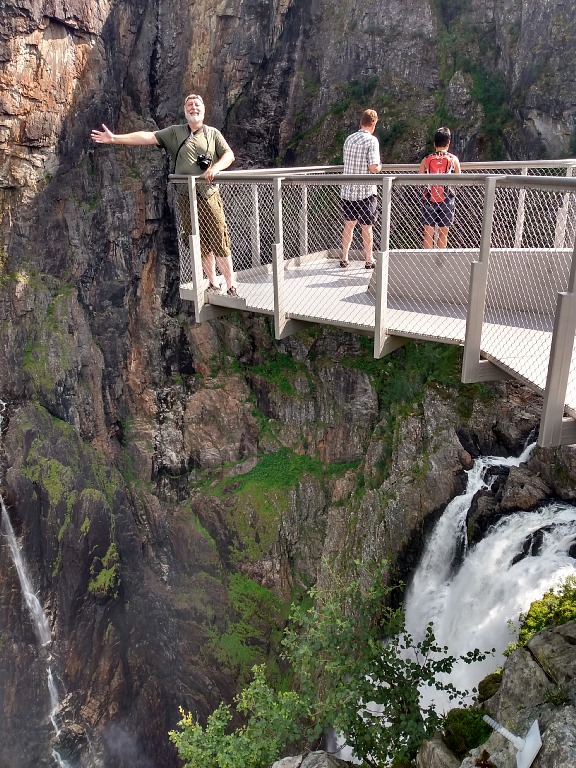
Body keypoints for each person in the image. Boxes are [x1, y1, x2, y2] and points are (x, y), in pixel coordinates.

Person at [91, 94, 239, 296]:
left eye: (197, 104)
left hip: (208, 194)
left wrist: (215, 168)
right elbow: (147, 137)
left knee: (219, 239)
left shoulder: (213, 134)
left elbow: (229, 155)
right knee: (200, 242)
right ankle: (213, 283)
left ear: (204, 109)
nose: (193, 107)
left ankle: (231, 286)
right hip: (186, 197)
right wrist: (115, 138)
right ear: (184, 110)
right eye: (189, 105)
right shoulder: (175, 133)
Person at [340, 109, 382, 269]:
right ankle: (369, 259)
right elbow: (373, 168)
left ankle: (344, 257)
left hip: (348, 190)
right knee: (367, 226)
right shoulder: (372, 141)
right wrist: (380, 166)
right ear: (374, 124)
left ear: (361, 122)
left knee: (349, 225)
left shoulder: (349, 139)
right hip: (365, 191)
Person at [418, 126, 461, 249]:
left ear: (434, 143)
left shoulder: (426, 159)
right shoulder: (453, 159)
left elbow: (419, 182)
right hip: (447, 199)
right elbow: (459, 182)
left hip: (429, 198)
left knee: (428, 233)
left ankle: (427, 259)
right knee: (443, 233)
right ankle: (440, 258)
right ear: (448, 143)